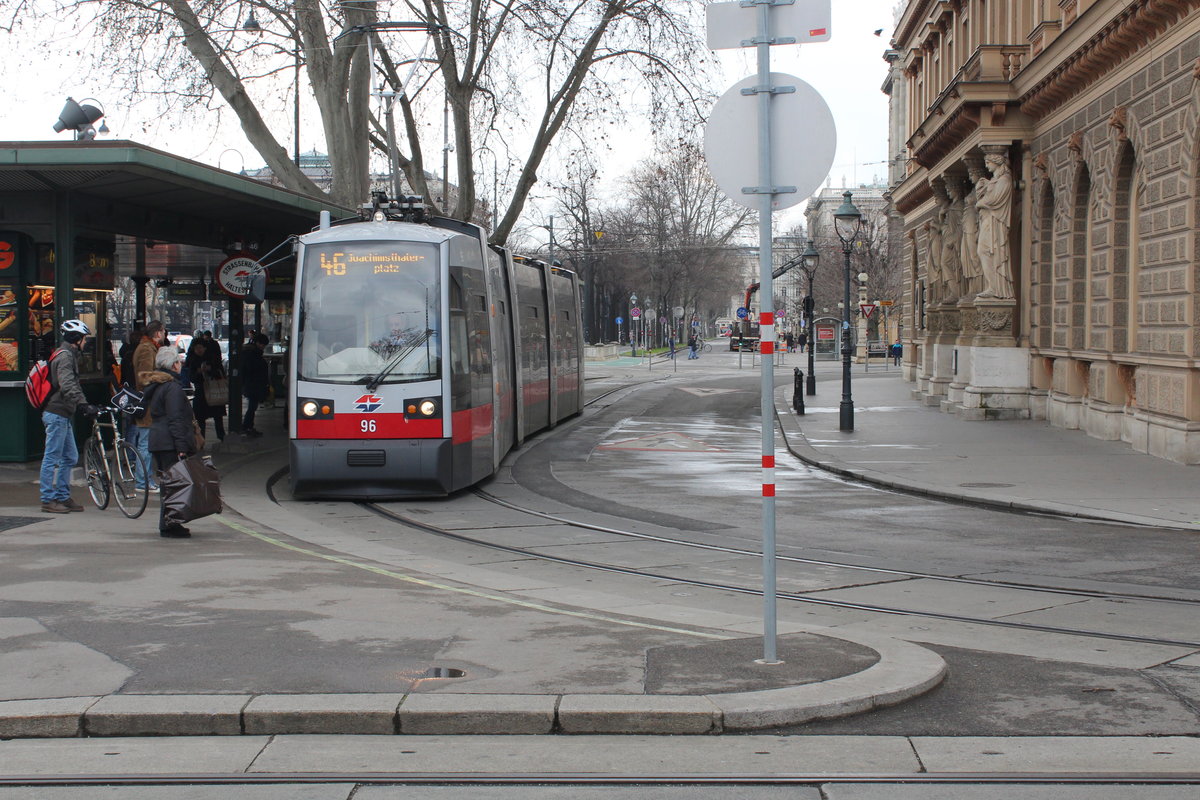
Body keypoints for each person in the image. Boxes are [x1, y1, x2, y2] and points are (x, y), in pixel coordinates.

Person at [39, 320, 99, 514]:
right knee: (52, 457)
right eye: (84, 338)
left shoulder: (66, 354)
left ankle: (63, 496)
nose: (85, 342)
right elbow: (67, 384)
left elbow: (72, 384)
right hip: (56, 413)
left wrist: (82, 402)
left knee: (70, 456)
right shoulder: (65, 357)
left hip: (62, 413)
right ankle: (48, 499)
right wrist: (82, 403)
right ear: (76, 339)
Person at [141, 346, 198, 537]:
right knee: (174, 485)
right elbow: (175, 418)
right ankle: (170, 524)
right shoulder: (172, 387)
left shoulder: (156, 385)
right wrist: (181, 446)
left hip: (158, 438)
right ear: (174, 364)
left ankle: (168, 522)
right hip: (168, 441)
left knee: (168, 484)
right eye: (179, 362)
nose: (181, 365)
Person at [130, 321, 166, 492]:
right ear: (157, 333)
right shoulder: (146, 349)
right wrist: (164, 377)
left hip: (150, 401)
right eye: (163, 331)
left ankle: (145, 479)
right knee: (145, 444)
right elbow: (144, 377)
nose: (165, 333)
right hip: (148, 403)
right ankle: (142, 482)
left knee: (146, 442)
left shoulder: (149, 347)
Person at [186, 337, 226, 444]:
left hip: (214, 390)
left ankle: (222, 436)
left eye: (201, 348)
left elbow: (221, 373)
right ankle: (201, 439)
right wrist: (199, 372)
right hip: (200, 392)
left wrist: (211, 370)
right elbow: (191, 377)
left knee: (218, 416)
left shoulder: (213, 359)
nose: (199, 350)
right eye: (196, 348)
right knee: (200, 418)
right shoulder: (192, 360)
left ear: (205, 348)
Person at [241, 332, 270, 436]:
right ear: (258, 343)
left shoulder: (251, 352)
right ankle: (247, 426)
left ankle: (248, 426)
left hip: (252, 384)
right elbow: (251, 368)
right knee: (252, 407)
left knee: (252, 407)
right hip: (253, 384)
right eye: (262, 344)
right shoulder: (252, 353)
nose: (263, 347)